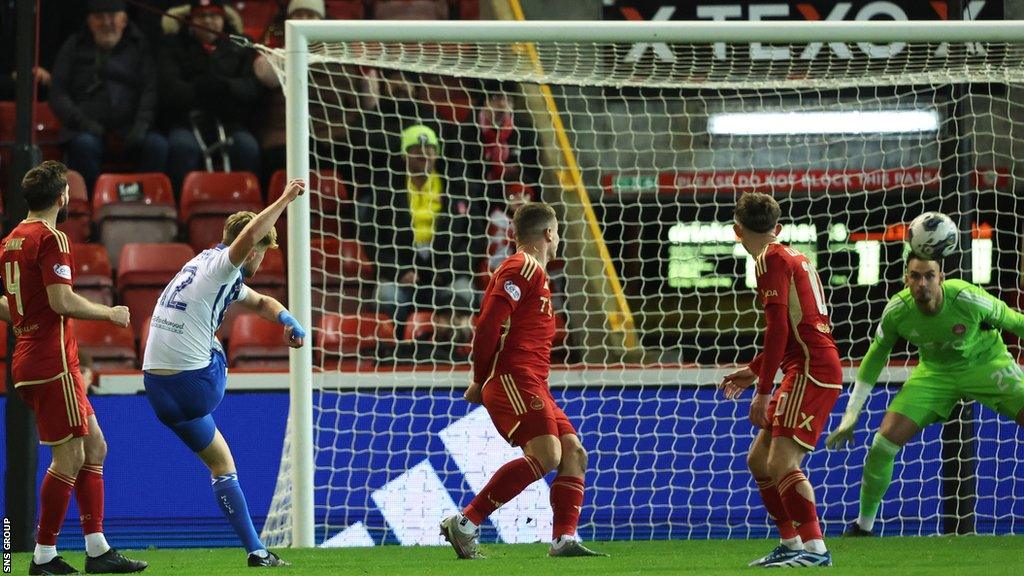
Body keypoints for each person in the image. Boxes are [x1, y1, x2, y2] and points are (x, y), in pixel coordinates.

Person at [141, 178, 307, 567]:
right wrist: (284, 198)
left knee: (222, 463)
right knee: (215, 341)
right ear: (252, 250)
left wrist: (287, 318)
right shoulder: (223, 265)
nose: (261, 259)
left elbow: (261, 301)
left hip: (157, 389)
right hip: (195, 385)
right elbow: (251, 235)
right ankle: (257, 550)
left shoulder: (200, 263)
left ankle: (257, 551)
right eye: (262, 252)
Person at [1, 161, 146, 575]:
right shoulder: (51, 237)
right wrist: (111, 314)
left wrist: (27, 317)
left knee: (95, 446)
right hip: (53, 362)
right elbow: (63, 302)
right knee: (69, 458)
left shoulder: (10, 241)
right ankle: (43, 557)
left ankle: (97, 549)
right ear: (62, 196)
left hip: (32, 359)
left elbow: (13, 308)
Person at [440, 202, 605, 559]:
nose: (558, 238)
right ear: (548, 233)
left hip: (533, 381)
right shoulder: (523, 267)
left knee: (574, 453)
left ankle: (564, 539)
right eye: (557, 231)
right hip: (513, 376)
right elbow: (487, 324)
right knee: (547, 454)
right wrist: (480, 379)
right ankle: (465, 523)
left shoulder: (533, 274)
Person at [826, 252, 1024, 536]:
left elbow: (1016, 322)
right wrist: (851, 412)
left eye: (929, 276)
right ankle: (863, 526)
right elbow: (874, 356)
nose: (922, 283)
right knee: (882, 446)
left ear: (941, 278)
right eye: (915, 276)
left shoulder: (966, 298)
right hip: (934, 373)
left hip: (986, 363)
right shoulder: (898, 310)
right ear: (906, 279)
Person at [719, 192, 841, 568]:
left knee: (783, 463)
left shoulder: (768, 259)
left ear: (737, 231)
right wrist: (755, 368)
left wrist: (762, 390)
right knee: (759, 460)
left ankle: (816, 549)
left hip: (810, 369)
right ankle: (791, 544)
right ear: (779, 227)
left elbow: (777, 329)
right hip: (806, 364)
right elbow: (790, 330)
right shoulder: (793, 256)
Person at [356, 124, 486, 342]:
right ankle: (394, 347)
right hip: (403, 273)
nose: (424, 154)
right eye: (416, 148)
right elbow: (372, 239)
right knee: (386, 295)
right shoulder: (386, 190)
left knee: (465, 292)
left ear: (437, 153)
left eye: (429, 148)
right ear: (405, 154)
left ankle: (454, 351)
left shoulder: (458, 188)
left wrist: (447, 271)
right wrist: (399, 271)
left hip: (447, 274)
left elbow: (476, 240)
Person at [49, 0, 167, 190]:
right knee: (83, 145)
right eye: (99, 18)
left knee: (157, 146)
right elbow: (58, 93)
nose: (106, 23)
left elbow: (150, 91)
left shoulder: (140, 46)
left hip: (132, 128)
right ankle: (94, 203)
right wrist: (84, 123)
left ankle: (146, 201)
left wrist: (142, 125)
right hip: (86, 128)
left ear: (124, 20)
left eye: (112, 17)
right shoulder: (74, 45)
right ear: (89, 21)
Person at [158, 0, 262, 190]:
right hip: (187, 120)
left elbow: (252, 87)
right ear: (190, 19)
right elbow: (169, 88)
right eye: (201, 16)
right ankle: (184, 206)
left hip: (230, 121)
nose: (207, 21)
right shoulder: (173, 45)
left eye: (213, 16)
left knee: (247, 147)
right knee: (182, 147)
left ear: (223, 18)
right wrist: (197, 91)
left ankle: (250, 208)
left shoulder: (241, 46)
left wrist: (226, 87)